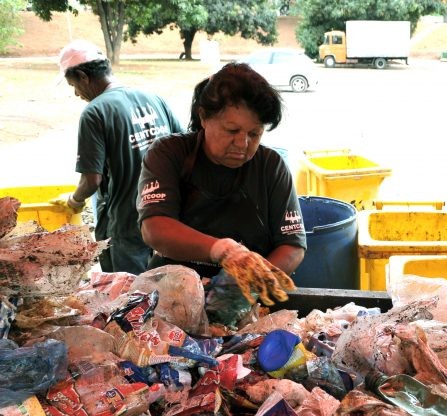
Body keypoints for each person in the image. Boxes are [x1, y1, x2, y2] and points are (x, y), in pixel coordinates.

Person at [136, 62, 306, 305]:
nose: (242, 144)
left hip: (243, 300)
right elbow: (155, 228)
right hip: (171, 294)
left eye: (254, 134)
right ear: (204, 117)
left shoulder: (271, 166)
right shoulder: (168, 153)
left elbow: (292, 245)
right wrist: (222, 250)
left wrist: (249, 286)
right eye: (232, 130)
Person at [56, 39, 183, 274]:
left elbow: (91, 180)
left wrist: (74, 201)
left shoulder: (94, 112)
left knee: (129, 290)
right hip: (168, 211)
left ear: (83, 76)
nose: (76, 93)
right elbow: (184, 149)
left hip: (127, 220)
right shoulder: (154, 98)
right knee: (166, 282)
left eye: (74, 85)